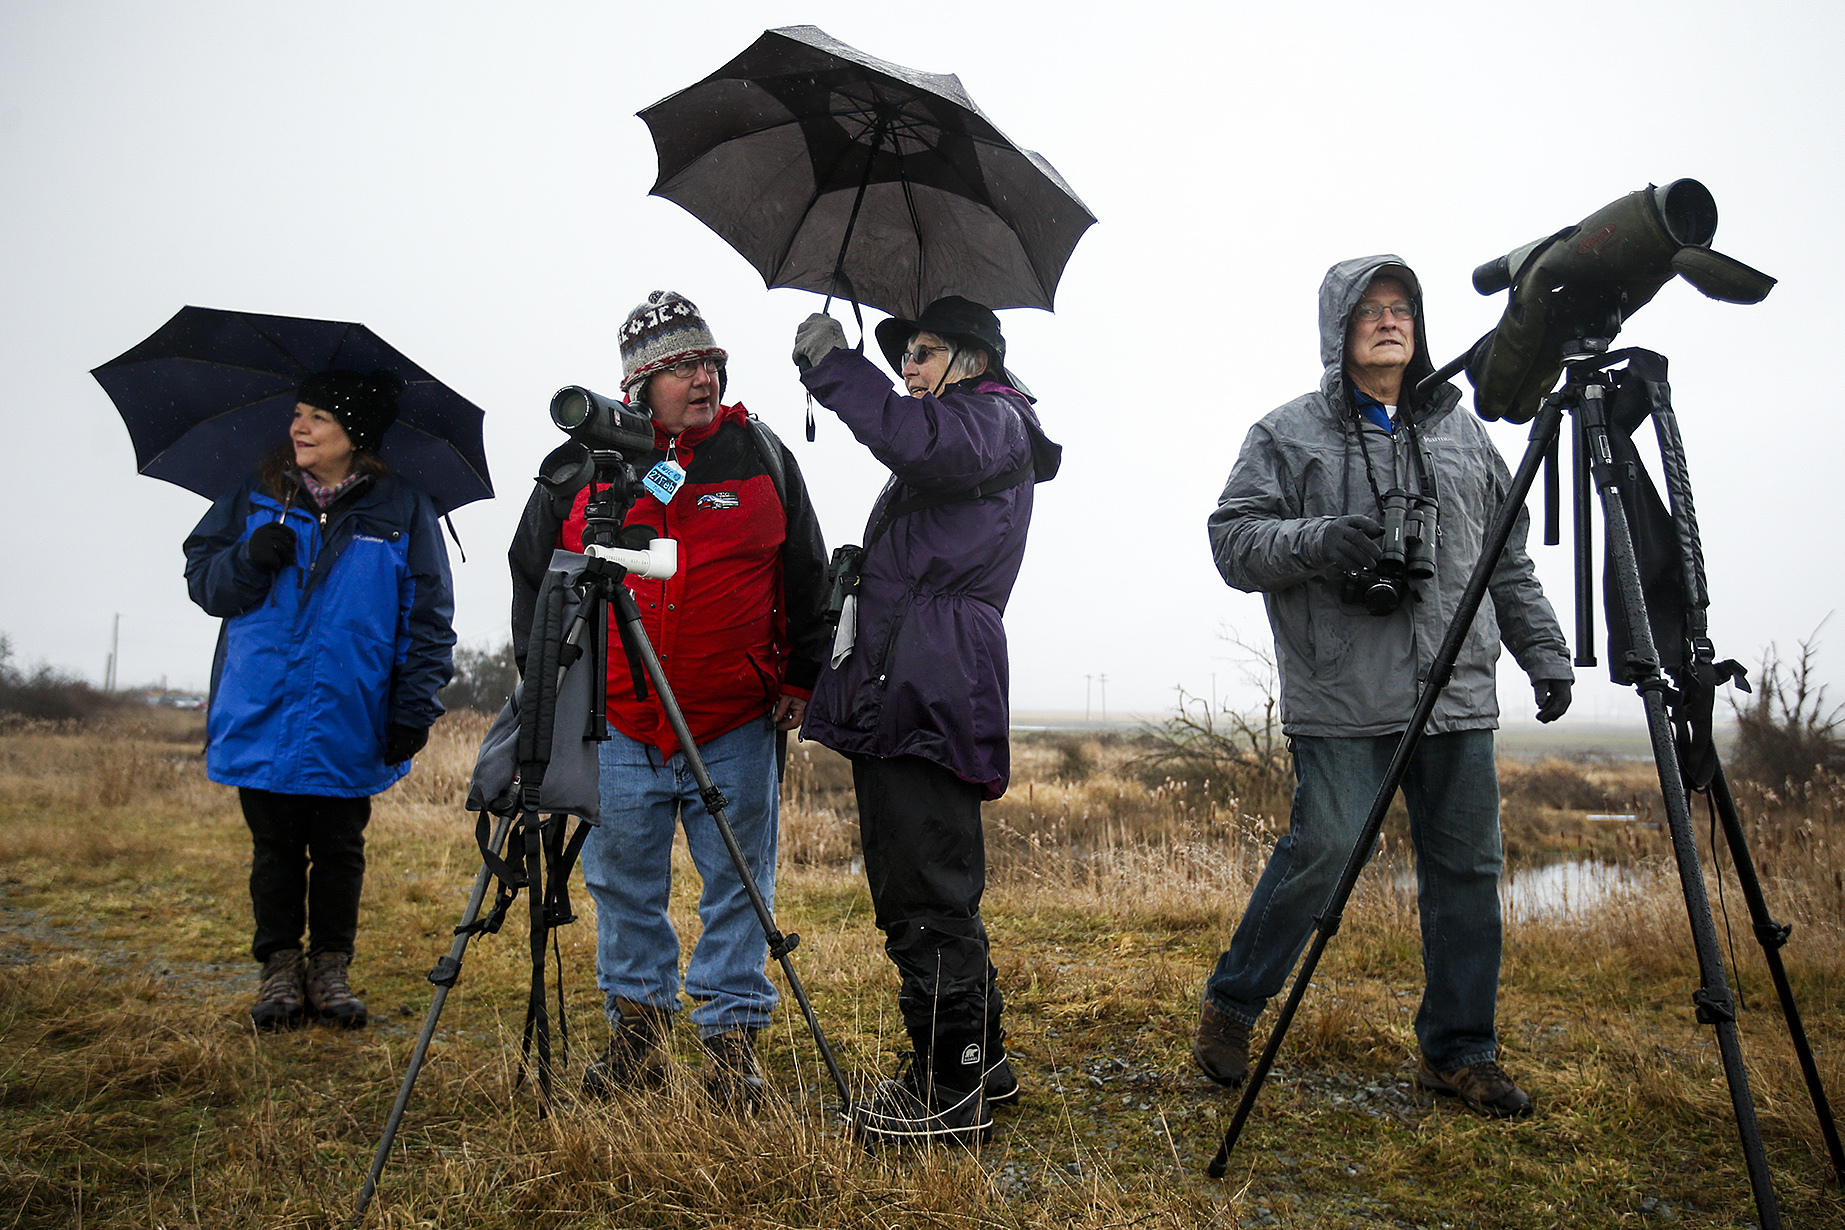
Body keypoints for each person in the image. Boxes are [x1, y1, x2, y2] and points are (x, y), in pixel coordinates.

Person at [1193, 256, 1574, 1118]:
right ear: (1338, 327)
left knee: (1468, 872)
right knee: (1322, 849)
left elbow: (1503, 557)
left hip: (1457, 691)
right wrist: (1322, 538)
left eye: (1402, 308)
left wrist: (1542, 653)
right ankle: (1233, 1003)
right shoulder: (1284, 434)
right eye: (1369, 309)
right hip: (1340, 690)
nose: (1388, 321)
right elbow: (1231, 544)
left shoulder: (1461, 431)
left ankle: (1457, 1051)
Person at [510, 291, 829, 1109]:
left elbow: (804, 574)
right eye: (683, 366)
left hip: (733, 720)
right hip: (615, 719)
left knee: (737, 882)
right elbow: (531, 579)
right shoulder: (587, 464)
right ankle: (639, 1039)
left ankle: (731, 1051)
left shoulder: (758, 454)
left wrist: (800, 678)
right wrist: (545, 687)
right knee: (623, 885)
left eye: (712, 362)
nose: (704, 377)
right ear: (638, 384)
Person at [790, 296, 1060, 1144]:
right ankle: (984, 1065)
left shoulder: (987, 422)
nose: (907, 366)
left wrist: (836, 367)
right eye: (901, 353)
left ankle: (948, 1095)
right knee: (931, 885)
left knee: (925, 895)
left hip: (928, 681)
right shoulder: (971, 431)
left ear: (973, 360)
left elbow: (912, 437)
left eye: (925, 351)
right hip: (912, 677)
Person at [184, 369, 455, 1032]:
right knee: (273, 846)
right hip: (262, 708)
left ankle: (330, 969)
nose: (298, 428)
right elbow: (205, 584)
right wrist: (247, 556)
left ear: (353, 435)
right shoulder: (254, 494)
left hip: (349, 711)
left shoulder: (402, 507)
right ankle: (279, 969)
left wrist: (413, 707)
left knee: (338, 846)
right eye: (298, 414)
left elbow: (427, 617)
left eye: (317, 418)